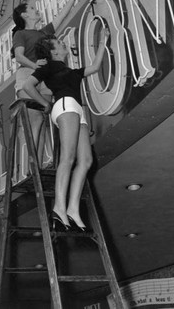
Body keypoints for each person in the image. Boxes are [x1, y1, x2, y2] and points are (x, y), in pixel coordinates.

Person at [22, 26, 110, 232]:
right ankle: (59, 208)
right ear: (53, 52)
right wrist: (45, 104)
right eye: (59, 44)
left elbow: (95, 67)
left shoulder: (70, 71)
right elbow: (28, 85)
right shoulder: (49, 66)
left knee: (86, 161)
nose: (63, 44)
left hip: (76, 110)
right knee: (68, 158)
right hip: (65, 106)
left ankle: (72, 209)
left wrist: (103, 42)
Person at [12, 0, 84, 160]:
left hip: (43, 78)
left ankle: (36, 164)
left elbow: (60, 17)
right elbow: (19, 56)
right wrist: (35, 65)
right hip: (28, 74)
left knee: (40, 121)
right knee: (34, 120)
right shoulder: (20, 34)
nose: (36, 11)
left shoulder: (43, 33)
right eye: (32, 9)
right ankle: (32, 164)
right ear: (24, 15)